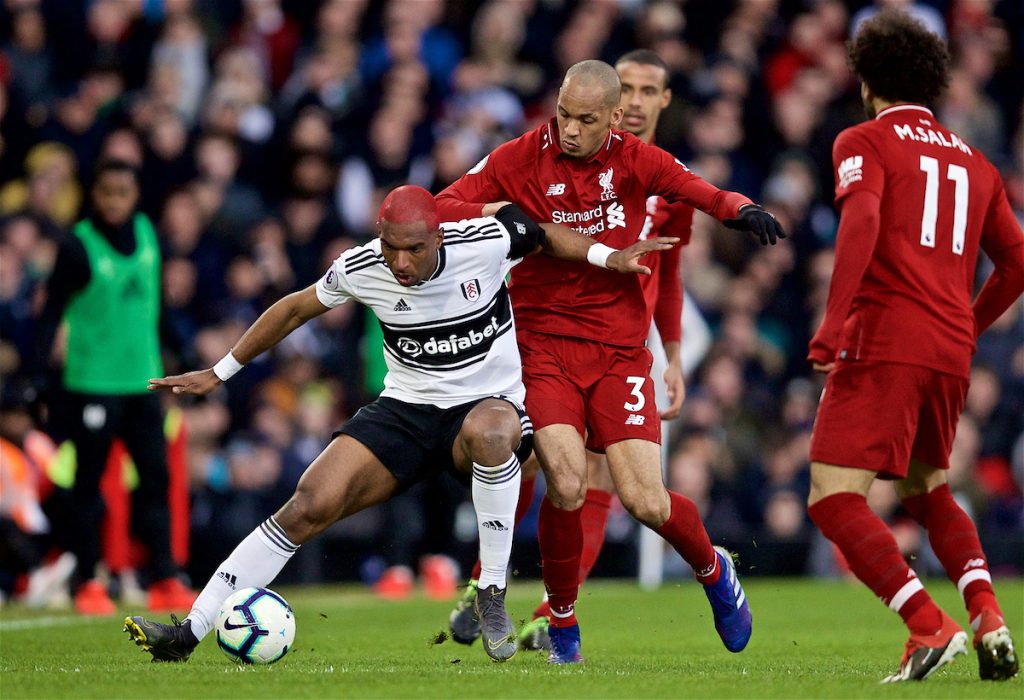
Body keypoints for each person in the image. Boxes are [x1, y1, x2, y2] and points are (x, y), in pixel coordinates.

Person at [123, 185, 675, 664]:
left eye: (414, 248)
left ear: (440, 236)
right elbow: (293, 309)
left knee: (493, 433)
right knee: (310, 501)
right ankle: (190, 629)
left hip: (484, 405)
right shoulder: (362, 266)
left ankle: (491, 590)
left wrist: (608, 257)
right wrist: (220, 372)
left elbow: (545, 234)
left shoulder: (483, 244)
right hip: (406, 410)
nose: (401, 262)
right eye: (391, 247)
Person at [436, 59, 784, 664]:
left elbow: (701, 193)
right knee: (565, 485)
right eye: (563, 114)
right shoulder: (516, 158)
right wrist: (493, 214)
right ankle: (561, 623)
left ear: (614, 117)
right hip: (540, 345)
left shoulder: (638, 162)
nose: (569, 129)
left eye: (585, 120)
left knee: (645, 500)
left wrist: (740, 208)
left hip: (621, 353)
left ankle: (713, 569)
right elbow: (442, 206)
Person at [805, 9, 1022, 683]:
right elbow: (1017, 264)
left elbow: (863, 219)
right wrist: (969, 324)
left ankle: (928, 624)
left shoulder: (862, 141)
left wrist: (833, 325)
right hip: (948, 350)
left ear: (868, 79)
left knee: (832, 498)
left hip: (885, 337)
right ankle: (989, 614)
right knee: (927, 489)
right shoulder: (977, 163)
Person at [35, 159, 194, 616]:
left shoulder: (148, 236)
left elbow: (154, 304)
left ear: (135, 195)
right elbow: (50, 315)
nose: (114, 202)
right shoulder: (77, 247)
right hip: (91, 384)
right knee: (89, 485)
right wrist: (40, 378)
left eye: (122, 193)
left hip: (142, 383)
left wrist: (179, 350)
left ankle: (164, 577)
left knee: (156, 481)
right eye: (106, 193)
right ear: (94, 194)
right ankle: (88, 580)